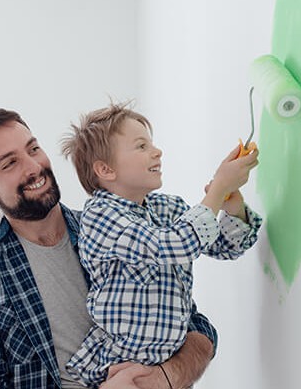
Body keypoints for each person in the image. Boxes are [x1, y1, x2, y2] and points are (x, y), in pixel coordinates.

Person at [0, 108, 220, 388]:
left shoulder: (112, 230)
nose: (33, 167)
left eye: (33, 149)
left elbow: (196, 327)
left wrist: (166, 377)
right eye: (9, 163)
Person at [59, 103, 262, 387]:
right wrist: (216, 190)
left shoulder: (167, 208)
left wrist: (231, 206)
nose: (157, 152)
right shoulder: (101, 215)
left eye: (151, 143)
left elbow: (225, 246)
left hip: (167, 364)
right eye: (141, 146)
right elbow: (172, 245)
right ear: (105, 169)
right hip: (121, 365)